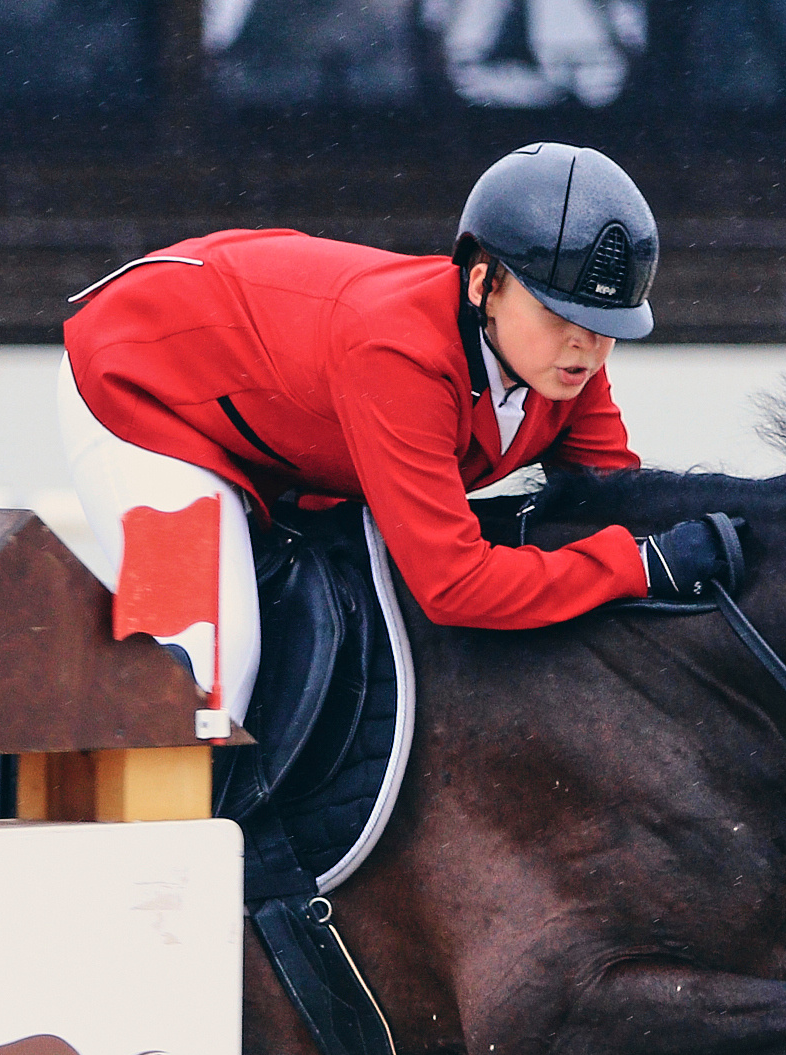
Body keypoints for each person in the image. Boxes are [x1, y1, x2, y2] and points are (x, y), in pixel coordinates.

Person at [57, 142, 746, 723]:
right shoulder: (399, 354)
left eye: (606, 329)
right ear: (484, 283)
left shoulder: (566, 364)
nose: (585, 347)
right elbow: (453, 587)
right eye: (559, 314)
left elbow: (619, 501)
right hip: (139, 382)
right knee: (212, 668)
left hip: (275, 404)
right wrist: (638, 567)